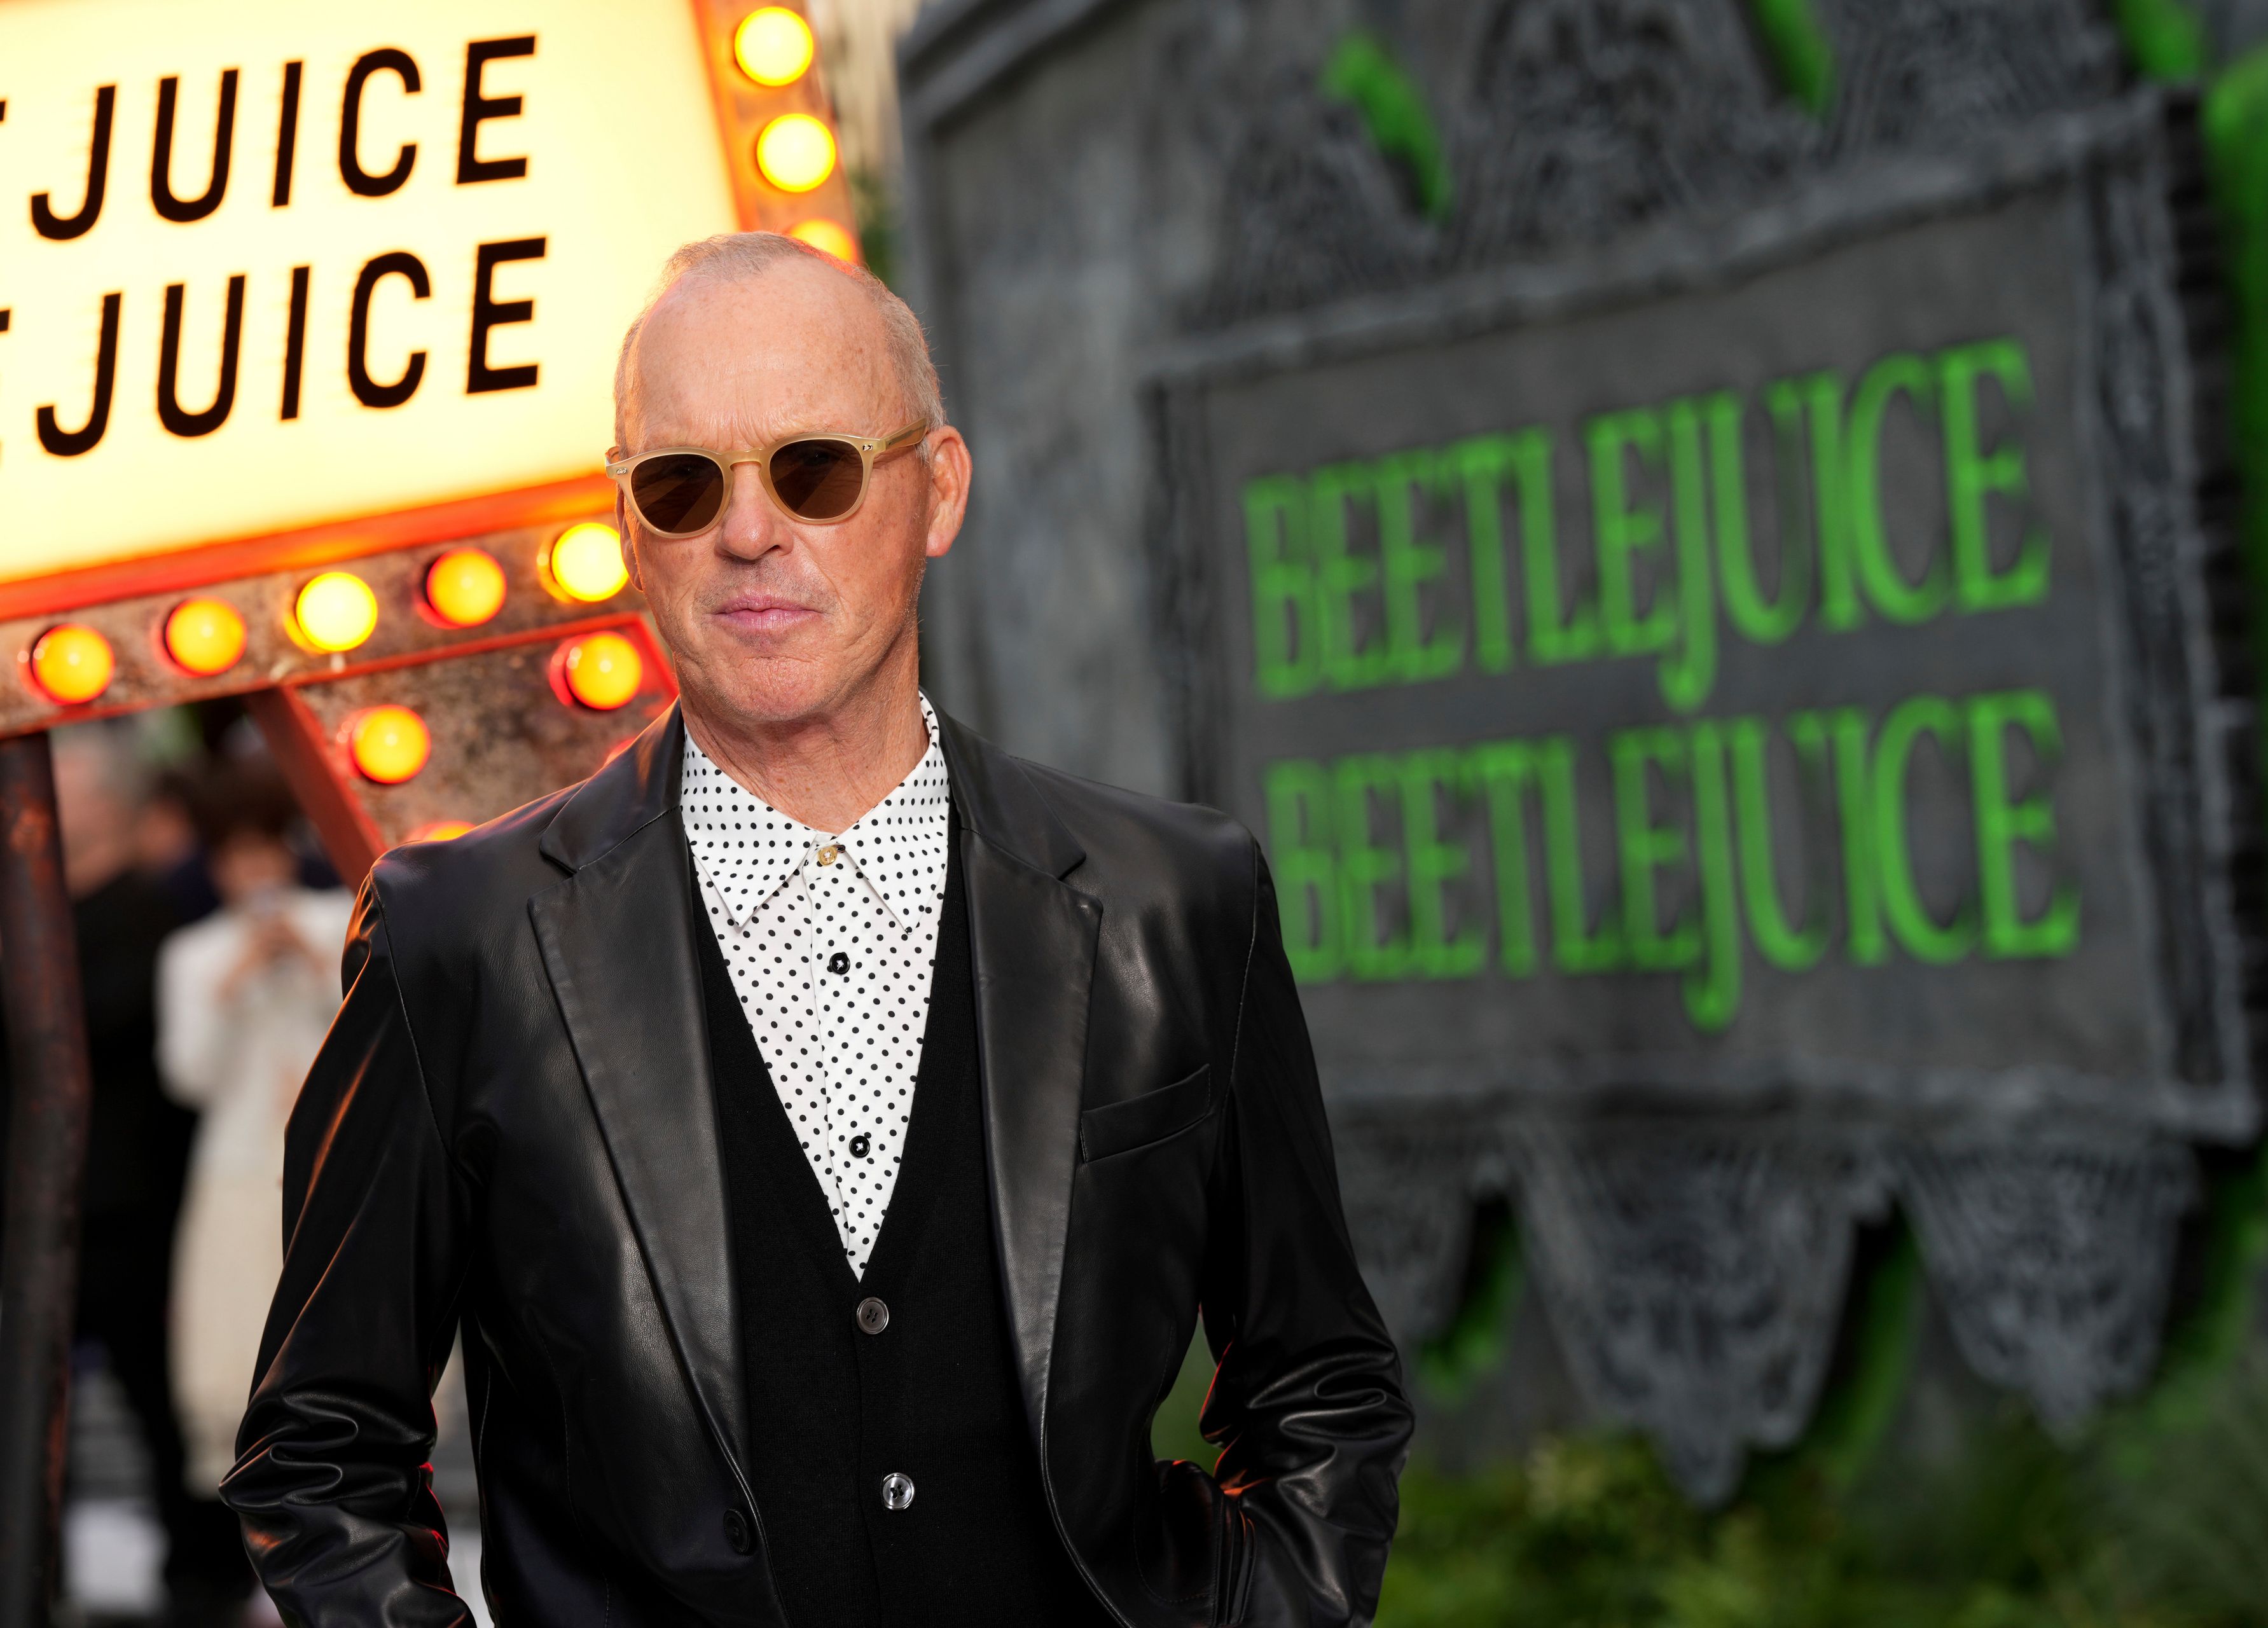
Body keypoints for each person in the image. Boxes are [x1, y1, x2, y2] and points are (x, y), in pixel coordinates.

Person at [223, 232, 1411, 1627]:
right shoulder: (462, 941)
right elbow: (320, 1452)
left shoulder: (1174, 900)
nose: (747, 531)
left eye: (816, 468)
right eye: (681, 484)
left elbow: (1318, 1383)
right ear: (626, 526)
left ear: (939, 488)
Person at [42, 729, 254, 1617]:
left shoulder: (150, 917)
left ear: (108, 805)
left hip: (136, 1204)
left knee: (165, 1407)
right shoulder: (35, 922)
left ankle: (203, 1581)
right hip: (46, 1214)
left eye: (62, 786)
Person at [156, 762, 352, 1506]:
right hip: (238, 1174)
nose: (255, 872)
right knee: (245, 1360)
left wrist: (307, 968)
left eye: (265, 852)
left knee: (344, 1348)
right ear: (217, 867)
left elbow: (381, 1034)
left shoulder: (339, 920)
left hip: (334, 1165)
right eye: (237, 859)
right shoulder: (192, 955)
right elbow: (187, 1077)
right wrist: (233, 984)